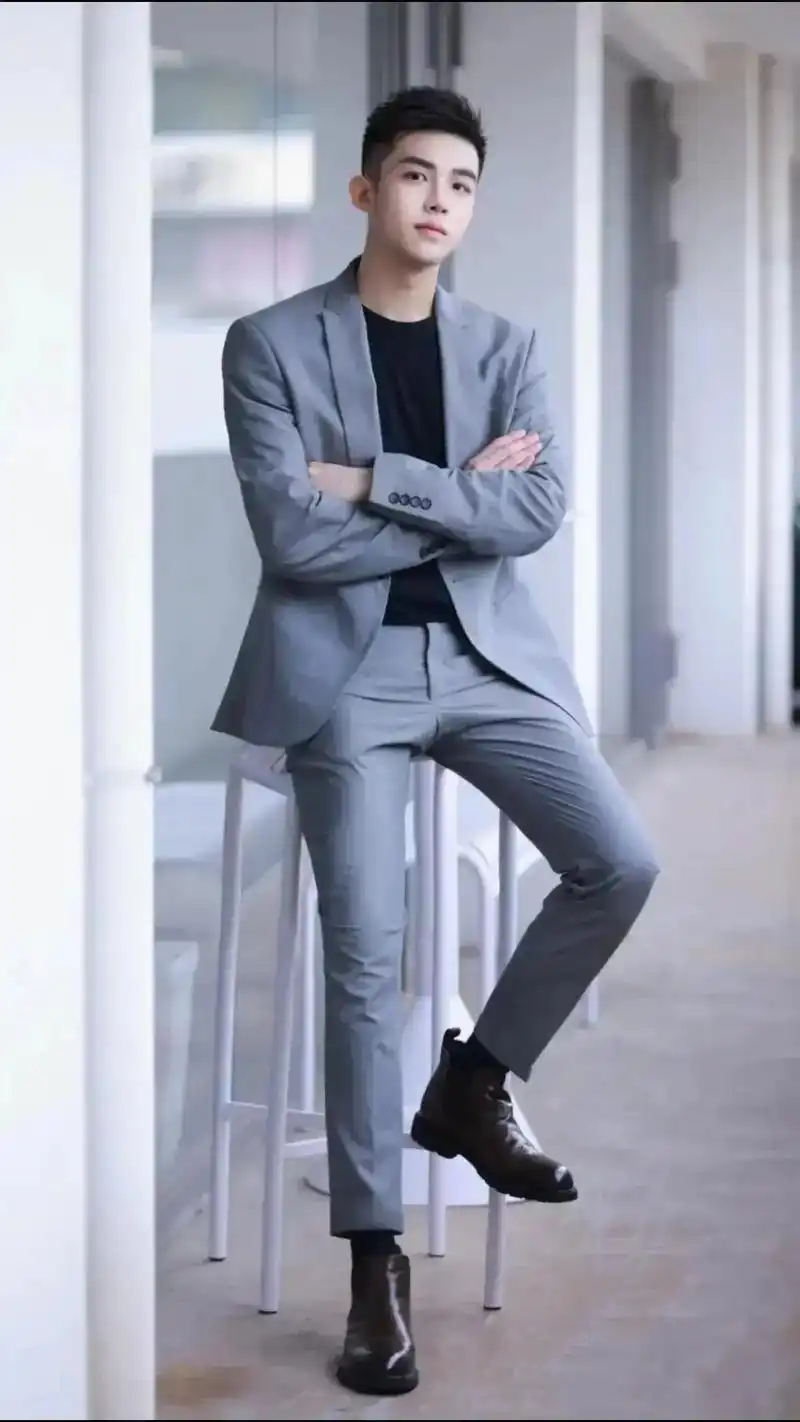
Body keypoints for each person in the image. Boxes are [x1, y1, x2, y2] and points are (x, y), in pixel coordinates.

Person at [215, 86, 659, 1397]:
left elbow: (537, 512)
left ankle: (476, 1080)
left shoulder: (506, 347)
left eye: (460, 184)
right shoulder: (269, 342)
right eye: (416, 176)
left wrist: (375, 480)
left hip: (486, 659)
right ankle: (374, 1264)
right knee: (366, 952)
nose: (438, 202)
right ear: (367, 190)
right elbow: (290, 537)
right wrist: (461, 494)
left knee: (619, 862)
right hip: (343, 672)